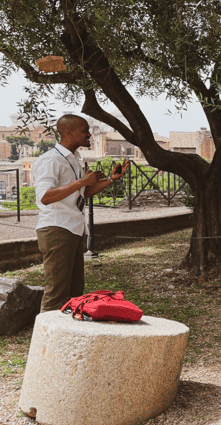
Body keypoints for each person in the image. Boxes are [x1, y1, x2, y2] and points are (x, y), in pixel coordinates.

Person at [33, 114, 129, 312]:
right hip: (57, 229)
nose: (89, 134)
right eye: (85, 130)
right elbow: (44, 196)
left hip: (73, 229)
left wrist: (111, 180)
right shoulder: (50, 160)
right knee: (56, 294)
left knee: (75, 292)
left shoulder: (74, 159)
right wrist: (82, 182)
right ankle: (46, 340)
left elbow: (83, 193)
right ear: (68, 133)